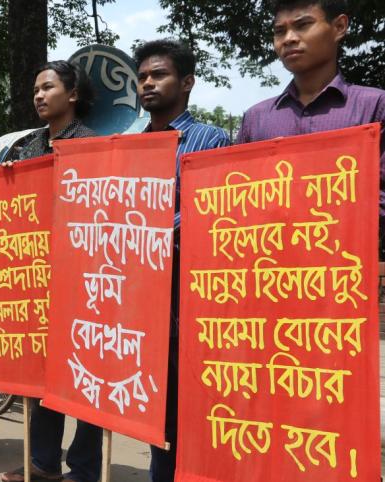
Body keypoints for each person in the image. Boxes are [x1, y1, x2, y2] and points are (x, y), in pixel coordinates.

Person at [132, 38, 232, 482]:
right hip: (140, 297)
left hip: (188, 299)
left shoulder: (211, 138)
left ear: (187, 82)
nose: (148, 83)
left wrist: (145, 231)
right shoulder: (129, 146)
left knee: (190, 404)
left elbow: (205, 211)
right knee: (158, 411)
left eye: (159, 75)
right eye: (143, 77)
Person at [1, 60, 103, 482]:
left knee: (86, 374)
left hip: (84, 278)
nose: (39, 96)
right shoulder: (24, 147)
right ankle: (43, 462)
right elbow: (5, 201)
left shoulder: (97, 145)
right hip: (36, 278)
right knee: (42, 374)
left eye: (48, 87)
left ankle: (82, 467)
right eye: (35, 90)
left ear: (73, 94)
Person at [236, 0, 385, 226]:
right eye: (279, 31)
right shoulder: (256, 118)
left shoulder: (375, 105)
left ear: (339, 27)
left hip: (347, 257)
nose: (289, 39)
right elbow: (237, 195)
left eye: (303, 25)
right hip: (268, 255)